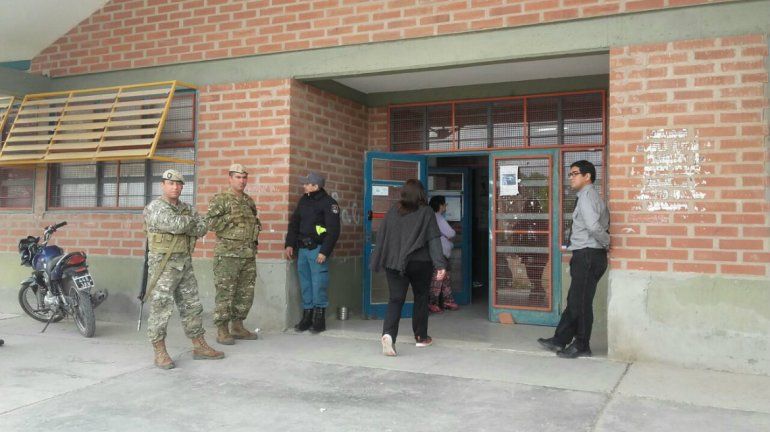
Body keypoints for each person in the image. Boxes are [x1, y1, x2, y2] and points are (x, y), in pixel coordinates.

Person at [143, 169, 224, 369]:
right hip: (164, 267)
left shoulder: (186, 208)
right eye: (171, 183)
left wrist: (192, 223)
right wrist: (191, 222)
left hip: (184, 265)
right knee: (161, 309)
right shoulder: (155, 207)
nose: (175, 187)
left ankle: (199, 345)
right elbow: (176, 224)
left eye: (179, 184)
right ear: (163, 185)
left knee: (192, 306)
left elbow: (202, 228)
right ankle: (159, 351)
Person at [538, 160, 609, 359]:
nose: (571, 177)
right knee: (575, 300)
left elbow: (594, 227)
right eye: (570, 174)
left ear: (587, 176)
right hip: (584, 254)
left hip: (589, 254)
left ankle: (582, 344)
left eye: (575, 173)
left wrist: (607, 242)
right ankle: (560, 339)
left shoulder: (587, 196)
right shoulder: (586, 196)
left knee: (582, 303)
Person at [370, 179, 447, 357]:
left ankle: (388, 334)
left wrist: (381, 258)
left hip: (395, 263)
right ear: (421, 194)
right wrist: (440, 264)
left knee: (395, 299)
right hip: (420, 263)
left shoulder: (393, 211)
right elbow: (433, 238)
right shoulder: (426, 212)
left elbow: (382, 236)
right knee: (421, 297)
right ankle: (421, 337)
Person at [206, 163, 261, 345]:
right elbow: (210, 223)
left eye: (244, 177)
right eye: (238, 177)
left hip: (247, 254)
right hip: (228, 255)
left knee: (245, 293)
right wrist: (230, 218)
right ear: (230, 178)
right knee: (225, 294)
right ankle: (222, 329)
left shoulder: (248, 201)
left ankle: (237, 326)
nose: (242, 181)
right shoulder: (221, 199)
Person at [284, 172, 341, 334]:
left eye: (307, 183)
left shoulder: (329, 203)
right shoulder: (304, 200)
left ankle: (319, 317)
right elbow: (294, 223)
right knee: (306, 284)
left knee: (319, 284)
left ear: (316, 186)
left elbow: (333, 230)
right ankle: (307, 315)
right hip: (302, 249)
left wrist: (325, 251)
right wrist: (289, 244)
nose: (304, 186)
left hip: (317, 249)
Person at [427, 195, 458, 313]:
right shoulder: (438, 218)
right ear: (440, 205)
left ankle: (447, 300)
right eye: (445, 204)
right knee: (438, 278)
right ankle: (433, 302)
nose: (446, 206)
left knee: (444, 278)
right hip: (440, 254)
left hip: (440, 253)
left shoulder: (432, 217)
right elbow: (451, 233)